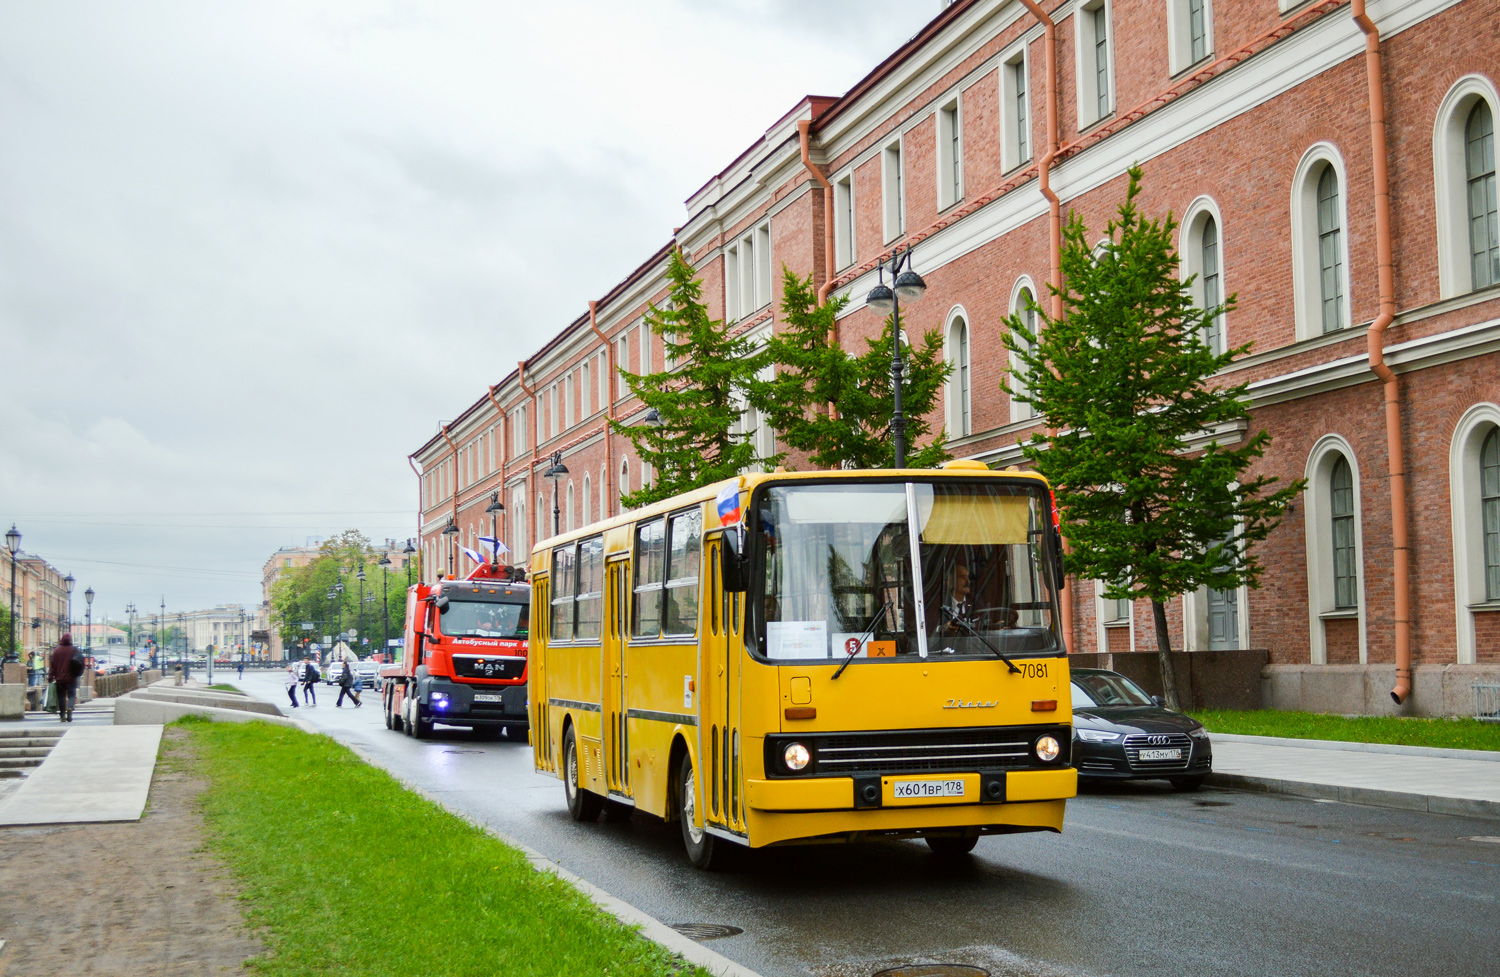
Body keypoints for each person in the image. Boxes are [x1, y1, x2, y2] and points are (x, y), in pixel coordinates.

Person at [47, 634, 86, 723]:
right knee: (71, 695)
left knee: (61, 697)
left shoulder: (56, 651)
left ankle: (62, 715)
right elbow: (80, 661)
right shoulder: (74, 650)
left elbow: (52, 666)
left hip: (59, 679)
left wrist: (50, 677)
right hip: (71, 678)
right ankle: (70, 708)